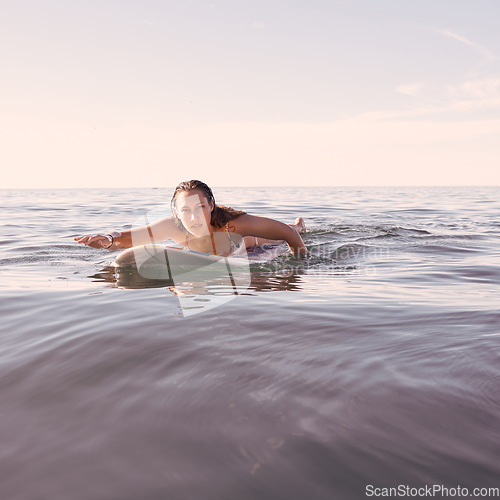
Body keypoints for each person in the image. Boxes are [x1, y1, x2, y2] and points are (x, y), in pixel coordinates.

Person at [74, 180, 307, 265]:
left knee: (260, 240)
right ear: (176, 211)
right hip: (212, 252)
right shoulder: (170, 226)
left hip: (240, 243)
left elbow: (285, 233)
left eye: (200, 208)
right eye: (185, 210)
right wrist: (107, 241)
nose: (193, 218)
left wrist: (300, 262)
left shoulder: (233, 223)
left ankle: (300, 223)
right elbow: (128, 238)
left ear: (211, 205)